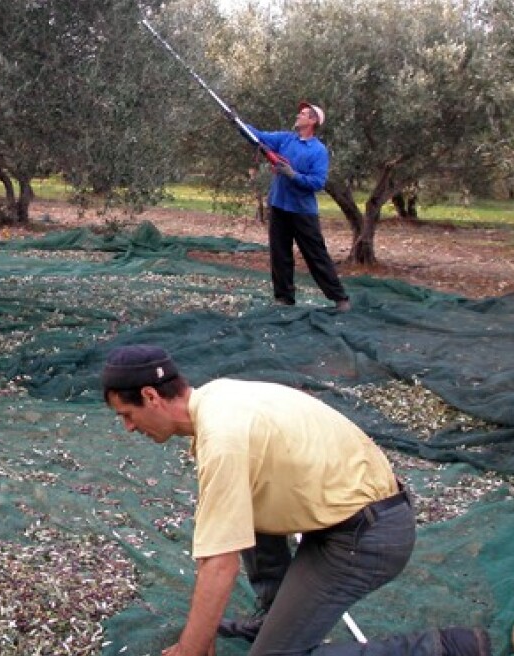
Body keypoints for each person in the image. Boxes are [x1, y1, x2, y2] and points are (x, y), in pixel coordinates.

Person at [100, 344, 491, 656]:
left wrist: (190, 648)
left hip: (368, 537)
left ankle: (442, 648)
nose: (129, 428)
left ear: (151, 396)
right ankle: (275, 616)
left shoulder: (223, 438)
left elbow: (220, 565)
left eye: (127, 415)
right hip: (344, 514)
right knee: (239, 508)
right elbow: (224, 535)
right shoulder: (219, 396)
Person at [243, 102, 351, 312]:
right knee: (280, 254)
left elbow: (317, 183)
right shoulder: (286, 139)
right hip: (279, 205)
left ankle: (340, 298)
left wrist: (293, 175)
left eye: (302, 114)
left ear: (313, 121)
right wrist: (238, 123)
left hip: (302, 211)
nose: (298, 115)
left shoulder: (318, 151)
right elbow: (259, 137)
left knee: (316, 255)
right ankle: (284, 298)